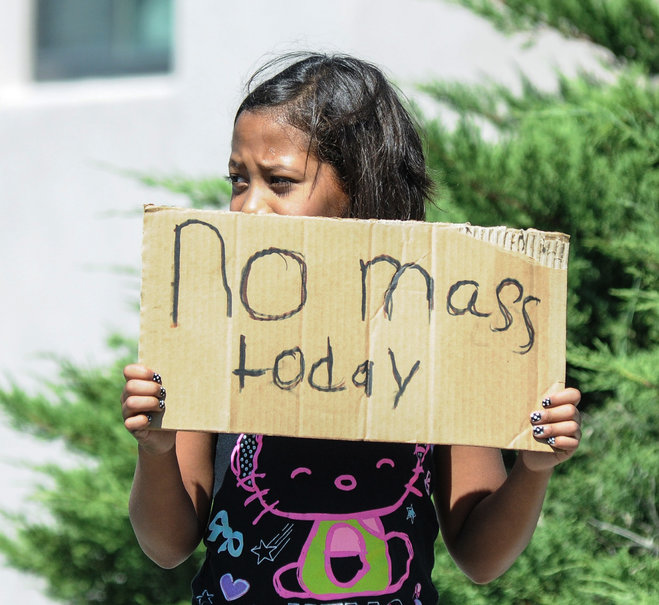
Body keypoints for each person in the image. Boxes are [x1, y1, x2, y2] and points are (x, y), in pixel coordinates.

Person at [121, 53, 582, 604]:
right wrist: (155, 449)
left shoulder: (440, 328)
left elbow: (480, 558)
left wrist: (533, 467)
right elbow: (167, 545)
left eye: (281, 182)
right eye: (238, 180)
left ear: (359, 192)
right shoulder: (211, 324)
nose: (248, 206)